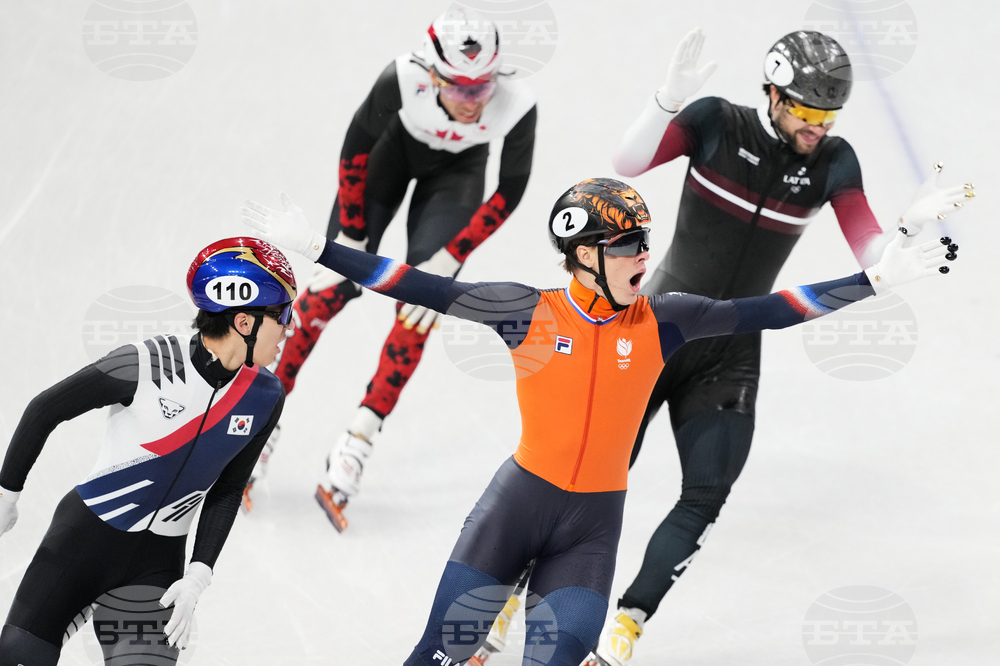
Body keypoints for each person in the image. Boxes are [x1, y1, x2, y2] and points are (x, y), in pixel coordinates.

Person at [241, 176, 955, 666]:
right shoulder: (526, 311)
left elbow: (771, 311)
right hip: (515, 510)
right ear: (586, 256)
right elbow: (418, 284)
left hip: (589, 532)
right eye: (628, 247)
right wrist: (319, 249)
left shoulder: (668, 319)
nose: (645, 257)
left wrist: (875, 280)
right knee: (440, 654)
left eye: (645, 243)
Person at [585, 29, 975, 665]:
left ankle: (626, 626)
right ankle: (519, 593)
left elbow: (871, 251)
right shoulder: (716, 122)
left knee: (706, 494)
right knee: (594, 475)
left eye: (829, 116)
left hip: (731, 352)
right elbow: (627, 164)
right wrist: (666, 101)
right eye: (806, 112)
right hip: (655, 333)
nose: (817, 127)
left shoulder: (834, 161)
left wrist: (906, 230)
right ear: (772, 93)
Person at [243, 5, 537, 531]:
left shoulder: (517, 102)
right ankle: (262, 419)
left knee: (421, 305)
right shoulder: (400, 76)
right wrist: (351, 237)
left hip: (457, 177)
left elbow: (509, 191)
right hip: (390, 155)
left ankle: (359, 439)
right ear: (431, 73)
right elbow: (354, 154)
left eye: (483, 87)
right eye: (460, 87)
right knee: (329, 289)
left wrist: (452, 255)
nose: (473, 101)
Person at [0, 238, 294, 665]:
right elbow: (45, 409)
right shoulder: (149, 362)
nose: (289, 327)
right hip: (80, 544)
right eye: (282, 314)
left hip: (154, 572)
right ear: (244, 322)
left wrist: (198, 574)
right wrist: (6, 495)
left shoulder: (266, 396)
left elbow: (229, 489)